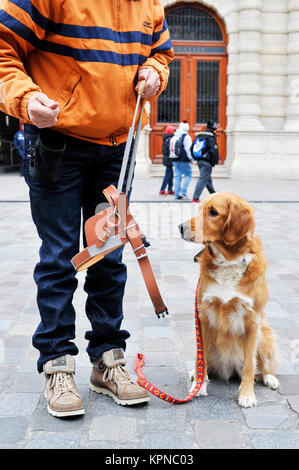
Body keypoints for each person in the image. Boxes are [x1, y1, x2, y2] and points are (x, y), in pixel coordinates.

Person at [0, 0, 173, 418]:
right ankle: (57, 364)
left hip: (119, 148)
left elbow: (161, 52)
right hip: (58, 143)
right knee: (60, 257)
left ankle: (108, 360)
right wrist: (25, 99)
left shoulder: (149, 3)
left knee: (109, 257)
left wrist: (156, 72)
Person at [191, 120, 219, 203]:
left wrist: (195, 158)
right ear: (214, 128)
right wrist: (213, 162)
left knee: (207, 178)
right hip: (207, 161)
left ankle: (213, 194)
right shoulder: (211, 137)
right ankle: (195, 198)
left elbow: (191, 148)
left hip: (200, 160)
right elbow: (213, 151)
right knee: (203, 179)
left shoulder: (199, 136)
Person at [172, 121, 193, 200]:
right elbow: (188, 149)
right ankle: (183, 192)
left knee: (178, 176)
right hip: (183, 159)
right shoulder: (186, 136)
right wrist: (192, 159)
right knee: (189, 174)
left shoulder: (176, 134)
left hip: (174, 158)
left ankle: (176, 195)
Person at [159, 125, 175, 196]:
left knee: (170, 174)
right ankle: (162, 189)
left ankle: (170, 189)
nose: (174, 132)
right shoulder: (170, 139)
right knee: (168, 174)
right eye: (173, 130)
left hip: (167, 158)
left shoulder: (167, 138)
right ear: (170, 131)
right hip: (169, 159)